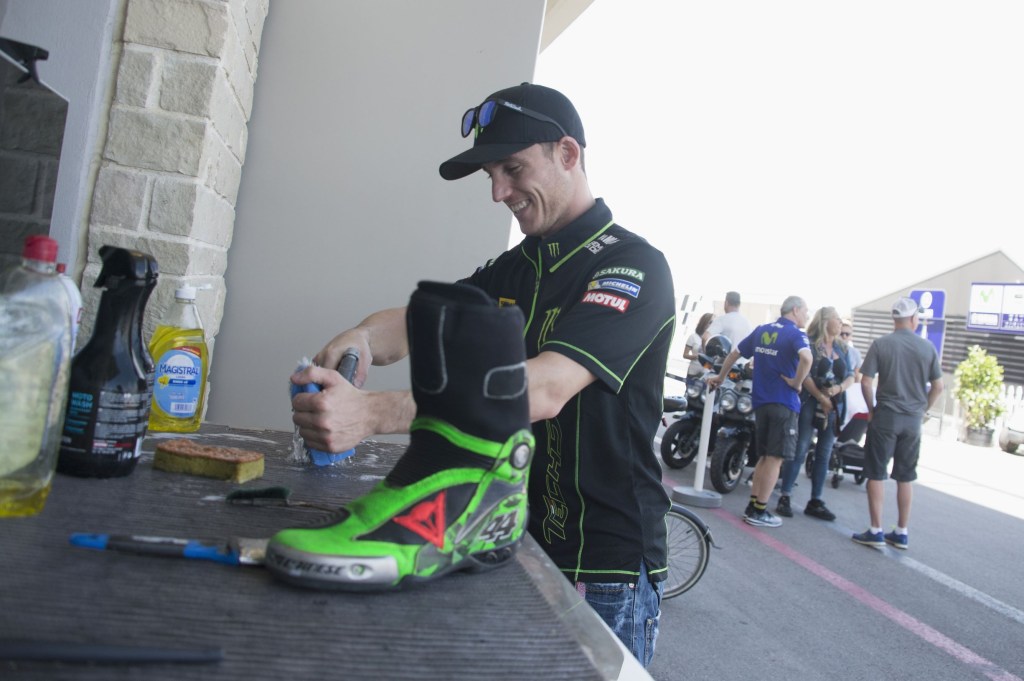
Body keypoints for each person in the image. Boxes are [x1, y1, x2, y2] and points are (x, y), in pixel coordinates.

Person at [269, 83, 675, 667]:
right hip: (507, 538)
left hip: (602, 569)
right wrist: (360, 336)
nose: (498, 192)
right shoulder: (519, 265)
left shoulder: (633, 266)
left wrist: (371, 413)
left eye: (512, 168)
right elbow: (420, 323)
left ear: (568, 153)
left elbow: (546, 389)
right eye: (491, 173)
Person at [708, 296, 812, 527]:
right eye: (806, 311)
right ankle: (759, 510)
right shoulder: (795, 334)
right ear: (795, 310)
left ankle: (753, 505)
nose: (807, 315)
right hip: (784, 403)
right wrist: (796, 383)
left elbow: (734, 353)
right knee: (774, 459)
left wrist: (720, 377)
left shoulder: (762, 330)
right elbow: (807, 357)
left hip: (761, 402)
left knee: (765, 457)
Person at [852, 297, 944, 550]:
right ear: (914, 319)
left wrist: (871, 411)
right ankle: (901, 531)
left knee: (876, 473)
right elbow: (938, 386)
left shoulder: (882, 344)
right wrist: (922, 410)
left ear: (895, 319)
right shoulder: (927, 348)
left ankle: (876, 530)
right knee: (905, 476)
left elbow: (866, 381)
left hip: (886, 417)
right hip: (912, 421)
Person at [776, 306, 855, 521]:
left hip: (834, 403)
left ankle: (816, 499)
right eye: (837, 319)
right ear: (825, 320)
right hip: (811, 401)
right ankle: (786, 494)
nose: (840, 323)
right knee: (800, 447)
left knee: (825, 452)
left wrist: (837, 390)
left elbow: (850, 375)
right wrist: (821, 397)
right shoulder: (810, 343)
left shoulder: (841, 347)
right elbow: (805, 373)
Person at [684, 312, 715, 376]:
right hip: (693, 372)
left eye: (714, 323)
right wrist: (696, 357)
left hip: (706, 374)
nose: (712, 325)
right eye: (710, 322)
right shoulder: (693, 337)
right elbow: (685, 355)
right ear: (704, 323)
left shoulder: (713, 340)